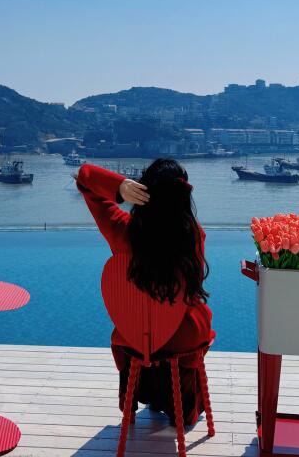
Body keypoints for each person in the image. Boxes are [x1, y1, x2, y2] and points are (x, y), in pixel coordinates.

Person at [76, 158, 214, 425]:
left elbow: (85, 176)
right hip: (183, 335)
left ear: (142, 191)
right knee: (196, 316)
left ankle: (146, 392)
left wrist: (119, 187)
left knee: (140, 332)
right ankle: (180, 405)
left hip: (135, 336)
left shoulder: (121, 231)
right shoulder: (194, 236)